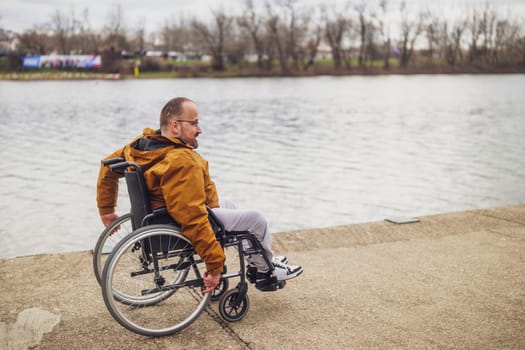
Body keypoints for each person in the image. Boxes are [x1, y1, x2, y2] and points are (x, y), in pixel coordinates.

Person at [96, 97, 303, 294]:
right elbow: (192, 217)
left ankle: (263, 258)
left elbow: (108, 166)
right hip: (176, 221)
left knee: (230, 204)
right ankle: (265, 270)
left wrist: (106, 210)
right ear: (175, 126)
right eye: (194, 123)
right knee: (256, 220)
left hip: (160, 214)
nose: (200, 129)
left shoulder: (142, 145)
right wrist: (215, 267)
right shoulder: (181, 161)